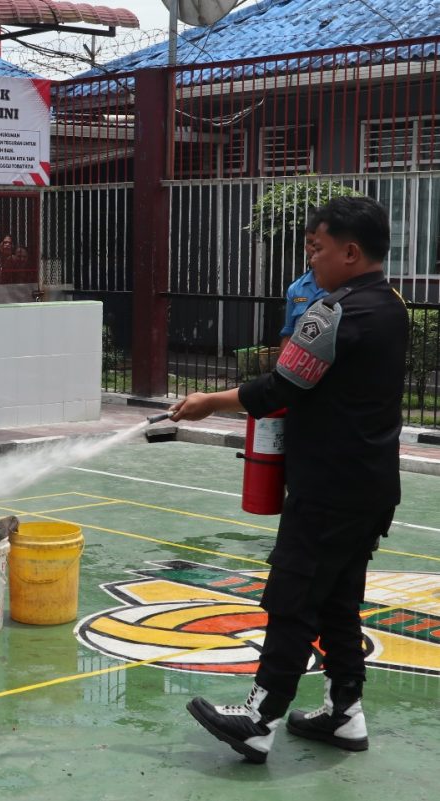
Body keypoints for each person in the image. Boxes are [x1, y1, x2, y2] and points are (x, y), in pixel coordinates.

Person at [169, 196, 408, 764]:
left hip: (328, 489)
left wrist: (210, 401)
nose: (311, 263)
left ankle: (259, 717)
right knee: (338, 602)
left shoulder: (336, 311)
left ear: (351, 252)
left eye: (317, 250)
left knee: (292, 598)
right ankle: (343, 713)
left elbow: (281, 386)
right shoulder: (392, 304)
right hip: (369, 487)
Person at [279, 224, 327, 353]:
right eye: (309, 242)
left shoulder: (345, 286)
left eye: (318, 244)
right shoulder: (296, 288)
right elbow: (288, 334)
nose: (313, 248)